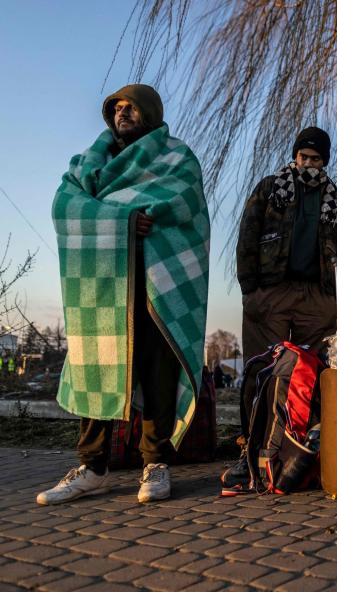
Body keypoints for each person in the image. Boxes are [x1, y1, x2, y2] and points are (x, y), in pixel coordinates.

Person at [40, 84, 210, 505]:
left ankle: (155, 463)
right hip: (101, 282)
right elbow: (65, 205)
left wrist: (148, 216)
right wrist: (122, 221)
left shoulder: (176, 156)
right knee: (96, 364)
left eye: (130, 107)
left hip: (156, 278)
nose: (121, 113)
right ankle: (92, 467)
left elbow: (186, 200)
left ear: (149, 113)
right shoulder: (91, 161)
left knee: (158, 370)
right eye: (116, 107)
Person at [237, 127, 337, 363]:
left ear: (324, 161)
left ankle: (304, 402)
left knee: (313, 366)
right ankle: (262, 402)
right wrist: (250, 291)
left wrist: (335, 299)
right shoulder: (269, 187)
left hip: (315, 293)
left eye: (315, 158)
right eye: (303, 156)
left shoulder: (333, 198)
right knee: (264, 364)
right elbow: (248, 237)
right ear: (295, 155)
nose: (307, 162)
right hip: (273, 288)